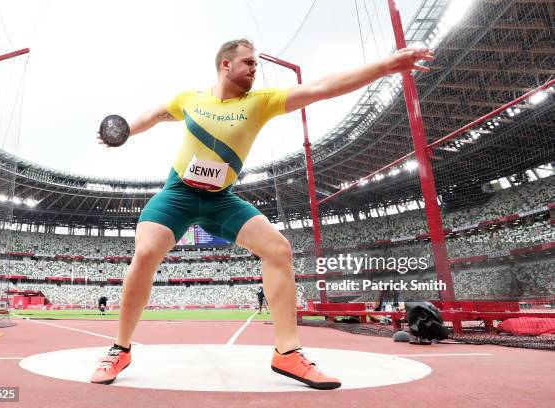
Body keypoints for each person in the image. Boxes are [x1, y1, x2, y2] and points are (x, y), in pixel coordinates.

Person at [90, 38, 433, 389]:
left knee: (278, 249)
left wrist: (385, 67)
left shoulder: (260, 102)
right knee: (146, 252)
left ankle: (287, 353)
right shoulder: (190, 99)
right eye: (249, 62)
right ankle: (120, 349)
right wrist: (127, 130)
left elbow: (320, 88)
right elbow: (157, 114)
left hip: (221, 199)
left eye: (256, 64)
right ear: (226, 65)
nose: (255, 68)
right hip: (177, 194)